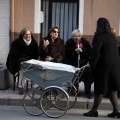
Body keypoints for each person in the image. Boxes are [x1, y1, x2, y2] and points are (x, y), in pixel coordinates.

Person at [83, 18, 120, 118]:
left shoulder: (99, 37)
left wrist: (92, 64)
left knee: (100, 88)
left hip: (103, 66)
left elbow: (96, 52)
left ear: (98, 25)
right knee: (112, 88)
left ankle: (94, 111)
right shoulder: (112, 36)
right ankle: (116, 111)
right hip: (115, 65)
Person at [6, 27, 39, 95]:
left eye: (29, 34)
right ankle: (21, 87)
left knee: (36, 68)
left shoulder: (34, 43)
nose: (28, 36)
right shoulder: (16, 43)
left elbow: (36, 54)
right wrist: (24, 57)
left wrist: (31, 59)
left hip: (31, 61)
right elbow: (13, 54)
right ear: (22, 35)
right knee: (23, 68)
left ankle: (34, 86)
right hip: (18, 62)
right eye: (25, 34)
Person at [65, 29, 93, 99]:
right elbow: (67, 51)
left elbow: (89, 51)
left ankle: (88, 92)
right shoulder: (69, 42)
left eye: (77, 36)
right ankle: (73, 90)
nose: (75, 38)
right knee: (73, 74)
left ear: (80, 36)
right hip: (73, 62)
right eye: (74, 37)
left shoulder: (85, 42)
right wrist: (74, 51)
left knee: (88, 74)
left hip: (83, 62)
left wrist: (82, 51)